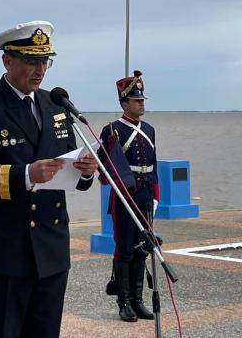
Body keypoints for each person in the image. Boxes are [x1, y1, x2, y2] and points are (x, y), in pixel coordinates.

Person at [0, 20, 97, 338]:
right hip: (4, 254)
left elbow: (67, 164)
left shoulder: (55, 105)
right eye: (32, 61)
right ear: (7, 60)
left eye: (45, 61)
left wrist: (85, 171)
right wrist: (25, 175)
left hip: (51, 253)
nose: (40, 70)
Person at [98, 70, 159, 323]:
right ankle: (123, 302)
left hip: (144, 193)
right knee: (124, 247)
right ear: (124, 103)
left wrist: (155, 196)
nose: (142, 103)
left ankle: (138, 299)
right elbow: (103, 168)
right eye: (136, 100)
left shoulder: (150, 130)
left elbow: (153, 165)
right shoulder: (112, 129)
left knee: (142, 247)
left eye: (142, 99)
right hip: (124, 194)